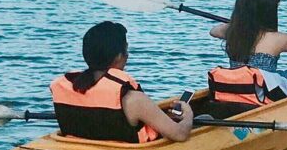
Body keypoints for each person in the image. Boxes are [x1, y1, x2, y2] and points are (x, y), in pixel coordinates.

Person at [50, 21, 193, 143]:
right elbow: (180, 134)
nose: (128, 54)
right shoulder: (133, 100)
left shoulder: (67, 88)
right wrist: (188, 115)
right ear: (119, 56)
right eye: (126, 49)